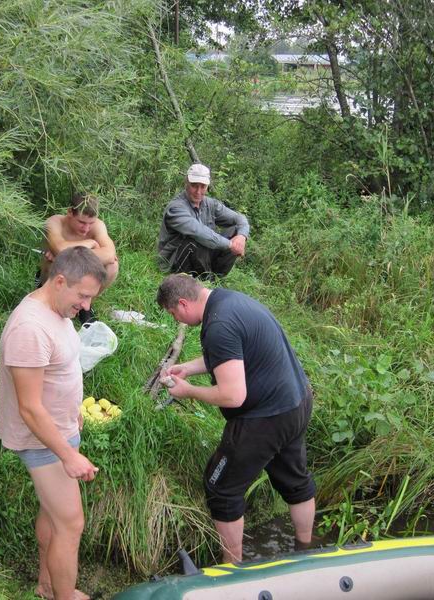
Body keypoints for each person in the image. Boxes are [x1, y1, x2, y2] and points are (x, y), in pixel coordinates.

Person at [156, 274, 316, 563]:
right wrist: (188, 369)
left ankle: (234, 571)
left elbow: (233, 396)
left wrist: (188, 391)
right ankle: (306, 550)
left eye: (173, 313)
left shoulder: (218, 325)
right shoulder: (229, 301)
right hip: (297, 400)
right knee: (295, 481)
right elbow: (233, 354)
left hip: (265, 417)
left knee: (222, 489)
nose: (175, 319)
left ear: (182, 303)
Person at [0, 246, 107, 600]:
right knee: (70, 522)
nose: (86, 306)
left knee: (52, 513)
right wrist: (68, 455)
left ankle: (46, 584)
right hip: (42, 441)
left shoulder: (57, 309)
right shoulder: (29, 328)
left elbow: (61, 369)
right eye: (83, 296)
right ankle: (64, 595)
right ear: (60, 281)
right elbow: (29, 408)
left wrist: (74, 409)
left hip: (60, 431)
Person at [157, 163, 250, 279]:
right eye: (194, 185)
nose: (198, 191)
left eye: (203, 186)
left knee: (236, 230)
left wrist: (241, 237)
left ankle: (216, 279)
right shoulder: (176, 208)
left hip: (202, 258)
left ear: (207, 186)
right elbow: (199, 232)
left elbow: (240, 218)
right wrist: (231, 245)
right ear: (186, 183)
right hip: (173, 262)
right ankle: (206, 281)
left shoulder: (210, 204)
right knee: (194, 240)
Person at [39, 192, 119, 324]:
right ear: (70, 212)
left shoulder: (98, 226)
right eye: (82, 222)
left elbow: (110, 255)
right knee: (52, 260)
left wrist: (66, 252)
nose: (86, 229)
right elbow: (59, 249)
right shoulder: (54, 222)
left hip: (82, 271)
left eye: (90, 223)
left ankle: (84, 305)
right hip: (55, 272)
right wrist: (89, 244)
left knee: (112, 266)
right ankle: (51, 301)